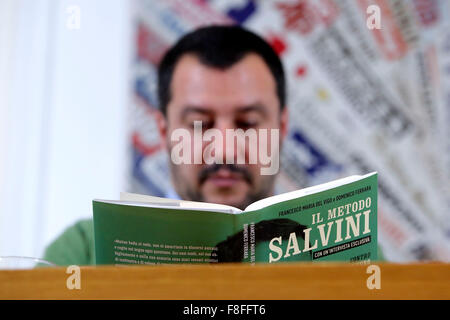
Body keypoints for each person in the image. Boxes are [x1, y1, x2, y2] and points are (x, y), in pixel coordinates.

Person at [43, 25, 384, 265]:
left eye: (248, 124)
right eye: (199, 125)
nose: (224, 149)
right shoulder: (85, 251)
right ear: (164, 132)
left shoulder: (347, 253)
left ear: (281, 128)